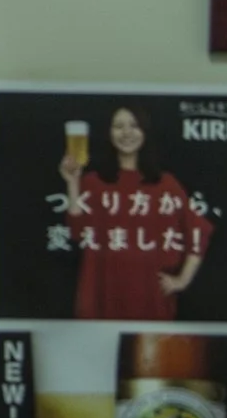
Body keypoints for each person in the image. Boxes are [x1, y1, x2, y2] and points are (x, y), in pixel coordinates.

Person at [57, 105, 213, 322]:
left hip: (149, 299)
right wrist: (73, 182)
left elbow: (199, 230)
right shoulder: (93, 183)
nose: (126, 133)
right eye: (119, 126)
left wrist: (182, 280)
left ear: (145, 133)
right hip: (101, 295)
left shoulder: (165, 184)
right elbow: (76, 232)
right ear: (109, 133)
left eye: (134, 126)